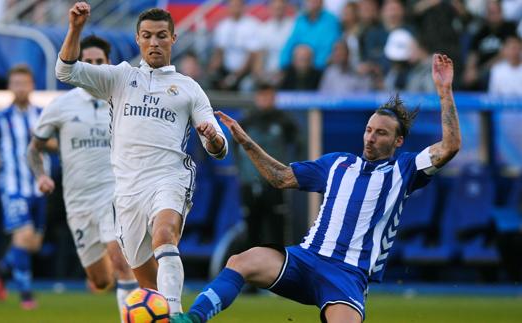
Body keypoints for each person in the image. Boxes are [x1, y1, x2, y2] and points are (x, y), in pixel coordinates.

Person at [172, 53, 461, 323]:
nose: (371, 137)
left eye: (381, 133)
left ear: (398, 142)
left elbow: (449, 147)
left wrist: (444, 92)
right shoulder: (337, 164)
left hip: (348, 275)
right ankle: (193, 318)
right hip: (306, 259)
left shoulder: (405, 170)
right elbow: (281, 177)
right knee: (241, 260)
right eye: (369, 130)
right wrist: (247, 143)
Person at [55, 3, 228, 315]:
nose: (154, 42)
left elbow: (218, 146)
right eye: (147, 36)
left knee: (165, 234)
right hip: (127, 190)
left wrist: (214, 139)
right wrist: (76, 29)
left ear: (173, 38)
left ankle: (176, 315)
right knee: (148, 288)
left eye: (161, 36)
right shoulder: (120, 77)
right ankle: (164, 311)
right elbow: (65, 70)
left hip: (169, 178)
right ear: (138, 39)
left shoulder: (188, 89)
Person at [27, 35, 138, 319]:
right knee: (100, 280)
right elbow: (34, 149)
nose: (92, 67)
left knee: (121, 262)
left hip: (114, 196)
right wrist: (41, 175)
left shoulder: (123, 101)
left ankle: (135, 312)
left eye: (98, 62)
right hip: (78, 202)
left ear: (108, 64)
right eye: (86, 62)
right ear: (78, 65)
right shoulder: (61, 106)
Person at [0, 65, 46, 310]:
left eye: (25, 83)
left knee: (33, 243)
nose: (20, 87)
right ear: (9, 87)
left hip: (40, 186)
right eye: (16, 83)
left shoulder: (43, 115)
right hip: (12, 187)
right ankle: (26, 295)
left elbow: (52, 141)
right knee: (23, 235)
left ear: (32, 85)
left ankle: (0, 270)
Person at [237, 82, 299, 247]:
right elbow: (235, 151)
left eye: (269, 96)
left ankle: (280, 269)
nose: (266, 100)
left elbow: (299, 145)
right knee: (251, 232)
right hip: (250, 184)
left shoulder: (285, 122)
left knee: (278, 231)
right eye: (262, 96)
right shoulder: (246, 122)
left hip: (276, 185)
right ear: (257, 97)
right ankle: (252, 269)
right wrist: (244, 175)